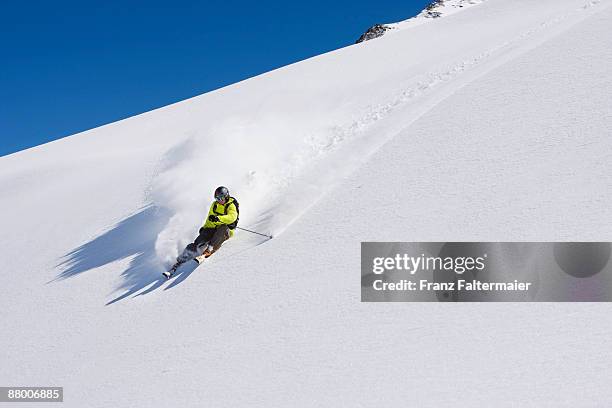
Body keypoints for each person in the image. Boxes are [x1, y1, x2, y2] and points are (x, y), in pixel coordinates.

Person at [172, 186, 239, 267]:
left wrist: (218, 218)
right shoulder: (214, 205)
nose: (219, 201)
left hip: (226, 231)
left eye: (221, 199)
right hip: (214, 228)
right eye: (217, 199)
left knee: (223, 228)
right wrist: (204, 228)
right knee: (202, 237)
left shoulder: (231, 205)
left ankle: (209, 249)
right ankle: (186, 255)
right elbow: (209, 219)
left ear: (226, 196)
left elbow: (232, 217)